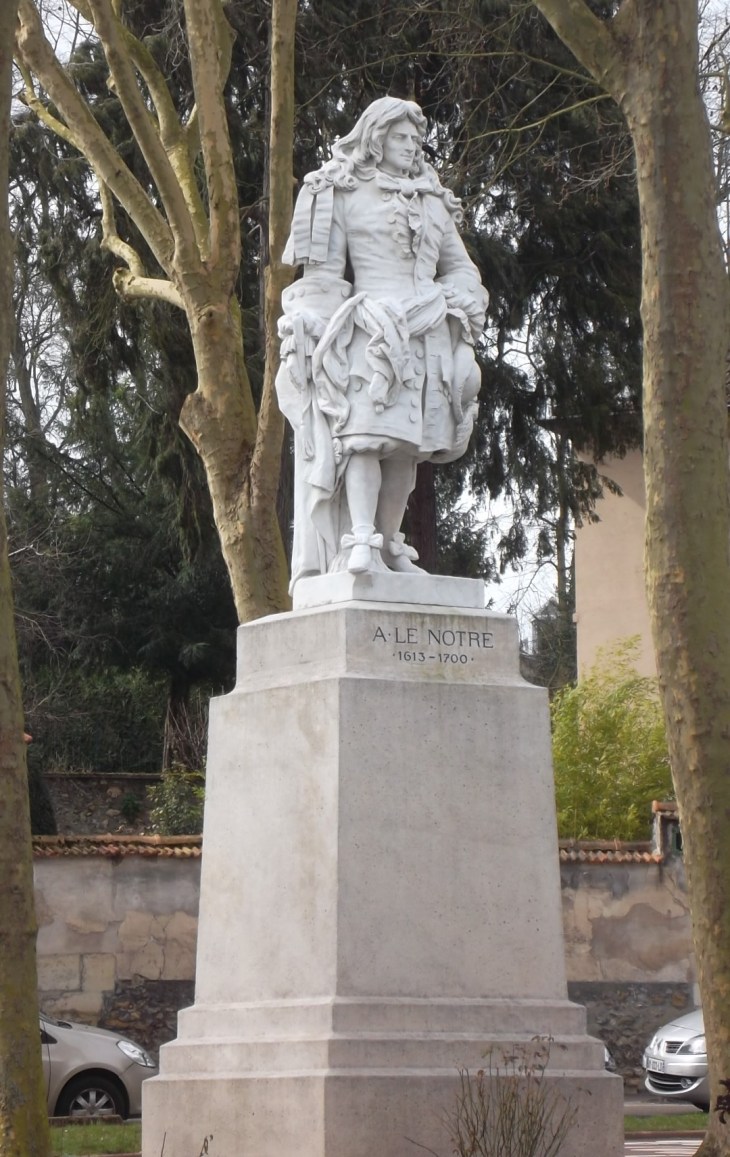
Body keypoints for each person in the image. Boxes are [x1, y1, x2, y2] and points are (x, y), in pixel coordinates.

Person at [276, 95, 488, 589]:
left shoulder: (433, 201)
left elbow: (461, 269)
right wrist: (309, 324)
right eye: (400, 137)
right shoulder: (338, 191)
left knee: (408, 449)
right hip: (370, 328)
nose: (412, 146)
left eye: (416, 139)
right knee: (366, 438)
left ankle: (390, 544)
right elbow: (322, 277)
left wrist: (455, 299)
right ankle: (362, 540)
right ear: (376, 138)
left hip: (429, 331)